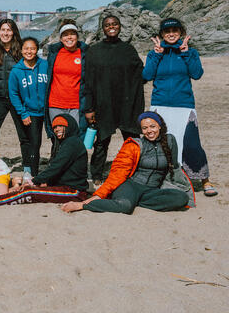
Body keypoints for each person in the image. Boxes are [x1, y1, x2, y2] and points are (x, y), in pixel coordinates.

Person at [62, 112, 194, 214]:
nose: (149, 131)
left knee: (181, 198)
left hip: (151, 191)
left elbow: (175, 168)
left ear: (160, 125)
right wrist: (94, 198)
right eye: (145, 128)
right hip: (131, 186)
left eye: (153, 126)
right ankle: (83, 206)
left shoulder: (170, 141)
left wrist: (183, 189)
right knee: (125, 207)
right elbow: (117, 174)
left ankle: (136, 201)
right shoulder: (135, 145)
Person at [142, 18, 216, 197]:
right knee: (163, 143)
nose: (171, 34)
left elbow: (197, 74)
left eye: (175, 30)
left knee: (191, 143)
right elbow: (146, 75)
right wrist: (157, 54)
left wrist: (186, 53)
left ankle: (204, 180)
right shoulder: (155, 54)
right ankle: (166, 177)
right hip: (160, 105)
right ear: (161, 35)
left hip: (184, 105)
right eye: (167, 31)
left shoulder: (190, 52)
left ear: (181, 32)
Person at [0, 114, 89, 206]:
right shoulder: (65, 143)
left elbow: (56, 167)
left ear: (70, 126)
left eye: (61, 126)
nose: (57, 129)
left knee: (28, 192)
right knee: (28, 188)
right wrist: (40, 182)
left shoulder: (72, 143)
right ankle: (10, 191)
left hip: (74, 192)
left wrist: (35, 181)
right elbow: (57, 170)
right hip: (63, 186)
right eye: (55, 127)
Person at [85, 15, 144, 184]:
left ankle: (135, 172)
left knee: (132, 140)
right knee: (102, 141)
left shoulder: (128, 49)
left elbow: (141, 74)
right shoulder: (94, 51)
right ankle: (96, 175)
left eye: (115, 24)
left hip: (126, 104)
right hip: (104, 103)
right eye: (107, 25)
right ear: (102, 29)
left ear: (120, 26)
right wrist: (89, 108)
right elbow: (88, 81)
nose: (111, 27)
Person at [8, 37, 49, 182]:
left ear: (37, 49)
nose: (29, 51)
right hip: (30, 112)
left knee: (53, 139)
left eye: (32, 48)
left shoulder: (45, 65)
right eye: (26, 48)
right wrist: (23, 113)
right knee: (34, 142)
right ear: (21, 50)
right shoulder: (16, 71)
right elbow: (13, 93)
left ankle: (53, 169)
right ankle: (32, 173)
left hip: (47, 110)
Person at [0, 19, 28, 154]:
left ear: (14, 32)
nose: (6, 33)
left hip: (19, 100)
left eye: (9, 30)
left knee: (24, 135)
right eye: (3, 30)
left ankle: (28, 167)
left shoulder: (22, 51)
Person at [44, 19, 90, 141]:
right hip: (55, 104)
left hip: (76, 105)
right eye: (65, 35)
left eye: (72, 34)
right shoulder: (54, 53)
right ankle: (57, 160)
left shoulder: (85, 53)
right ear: (60, 38)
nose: (69, 37)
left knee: (75, 137)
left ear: (77, 36)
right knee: (58, 137)